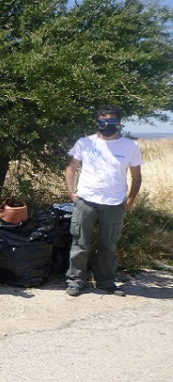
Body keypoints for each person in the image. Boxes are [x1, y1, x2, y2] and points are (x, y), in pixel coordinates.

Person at [64, 105, 143, 297]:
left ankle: (106, 282)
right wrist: (71, 193)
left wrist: (131, 199)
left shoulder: (130, 146)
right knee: (80, 243)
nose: (106, 124)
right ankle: (75, 281)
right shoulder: (84, 142)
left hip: (115, 203)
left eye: (111, 121)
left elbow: (137, 176)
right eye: (102, 120)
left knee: (109, 245)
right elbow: (71, 168)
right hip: (86, 200)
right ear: (97, 122)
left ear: (119, 122)